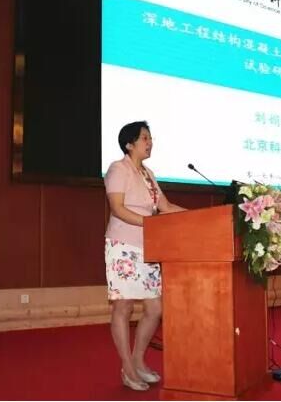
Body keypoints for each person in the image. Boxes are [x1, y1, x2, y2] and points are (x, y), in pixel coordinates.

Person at [104, 121, 186, 391]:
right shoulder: (119, 169)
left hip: (148, 247)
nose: (150, 142)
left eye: (150, 138)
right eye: (144, 138)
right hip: (123, 245)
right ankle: (127, 368)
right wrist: (149, 223)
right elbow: (117, 208)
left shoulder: (148, 174)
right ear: (129, 144)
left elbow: (165, 206)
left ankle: (139, 360)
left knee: (155, 308)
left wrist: (197, 216)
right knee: (123, 307)